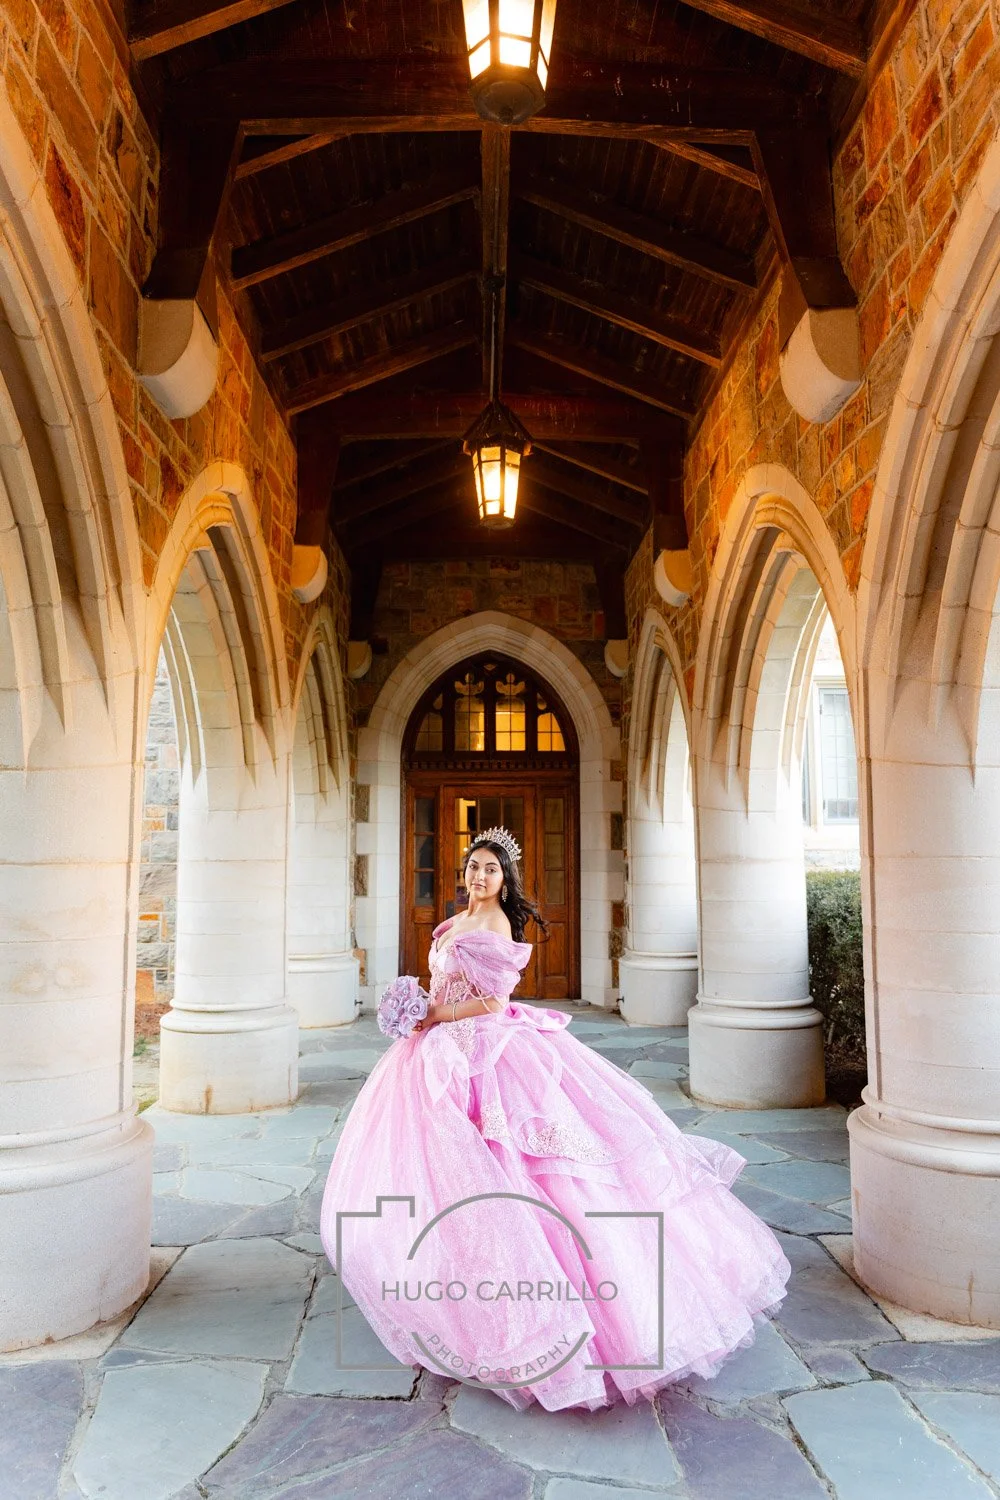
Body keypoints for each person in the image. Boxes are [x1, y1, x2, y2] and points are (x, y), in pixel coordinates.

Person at [319, 827, 792, 1413]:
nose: (479, 877)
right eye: (473, 867)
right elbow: (444, 978)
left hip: (482, 1050)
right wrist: (416, 1008)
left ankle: (559, 1317)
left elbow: (492, 1002)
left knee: (519, 1167)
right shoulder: (450, 923)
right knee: (437, 1169)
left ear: (504, 880)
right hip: (434, 1049)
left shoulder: (495, 926)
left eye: (491, 870)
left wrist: (431, 1012)